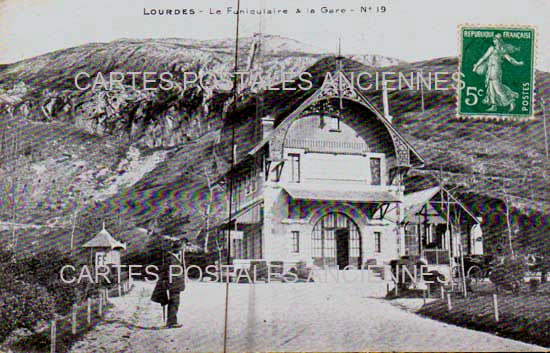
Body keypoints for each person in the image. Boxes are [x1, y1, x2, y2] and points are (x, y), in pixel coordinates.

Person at [473, 33, 524, 112]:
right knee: (491, 87)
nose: (494, 41)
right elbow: (484, 58)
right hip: (491, 69)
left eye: (495, 39)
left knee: (497, 88)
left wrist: (518, 63)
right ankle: (494, 106)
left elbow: (510, 59)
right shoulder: (499, 49)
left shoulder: (496, 49)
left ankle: (511, 101)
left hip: (495, 70)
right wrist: (477, 65)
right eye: (493, 39)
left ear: (499, 41)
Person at [151, 236, 188, 328]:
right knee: (174, 302)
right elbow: (168, 272)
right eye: (181, 248)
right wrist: (169, 283)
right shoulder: (171, 259)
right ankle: (172, 322)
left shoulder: (173, 258)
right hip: (173, 284)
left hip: (175, 284)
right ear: (177, 249)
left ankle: (172, 321)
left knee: (174, 302)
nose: (181, 250)